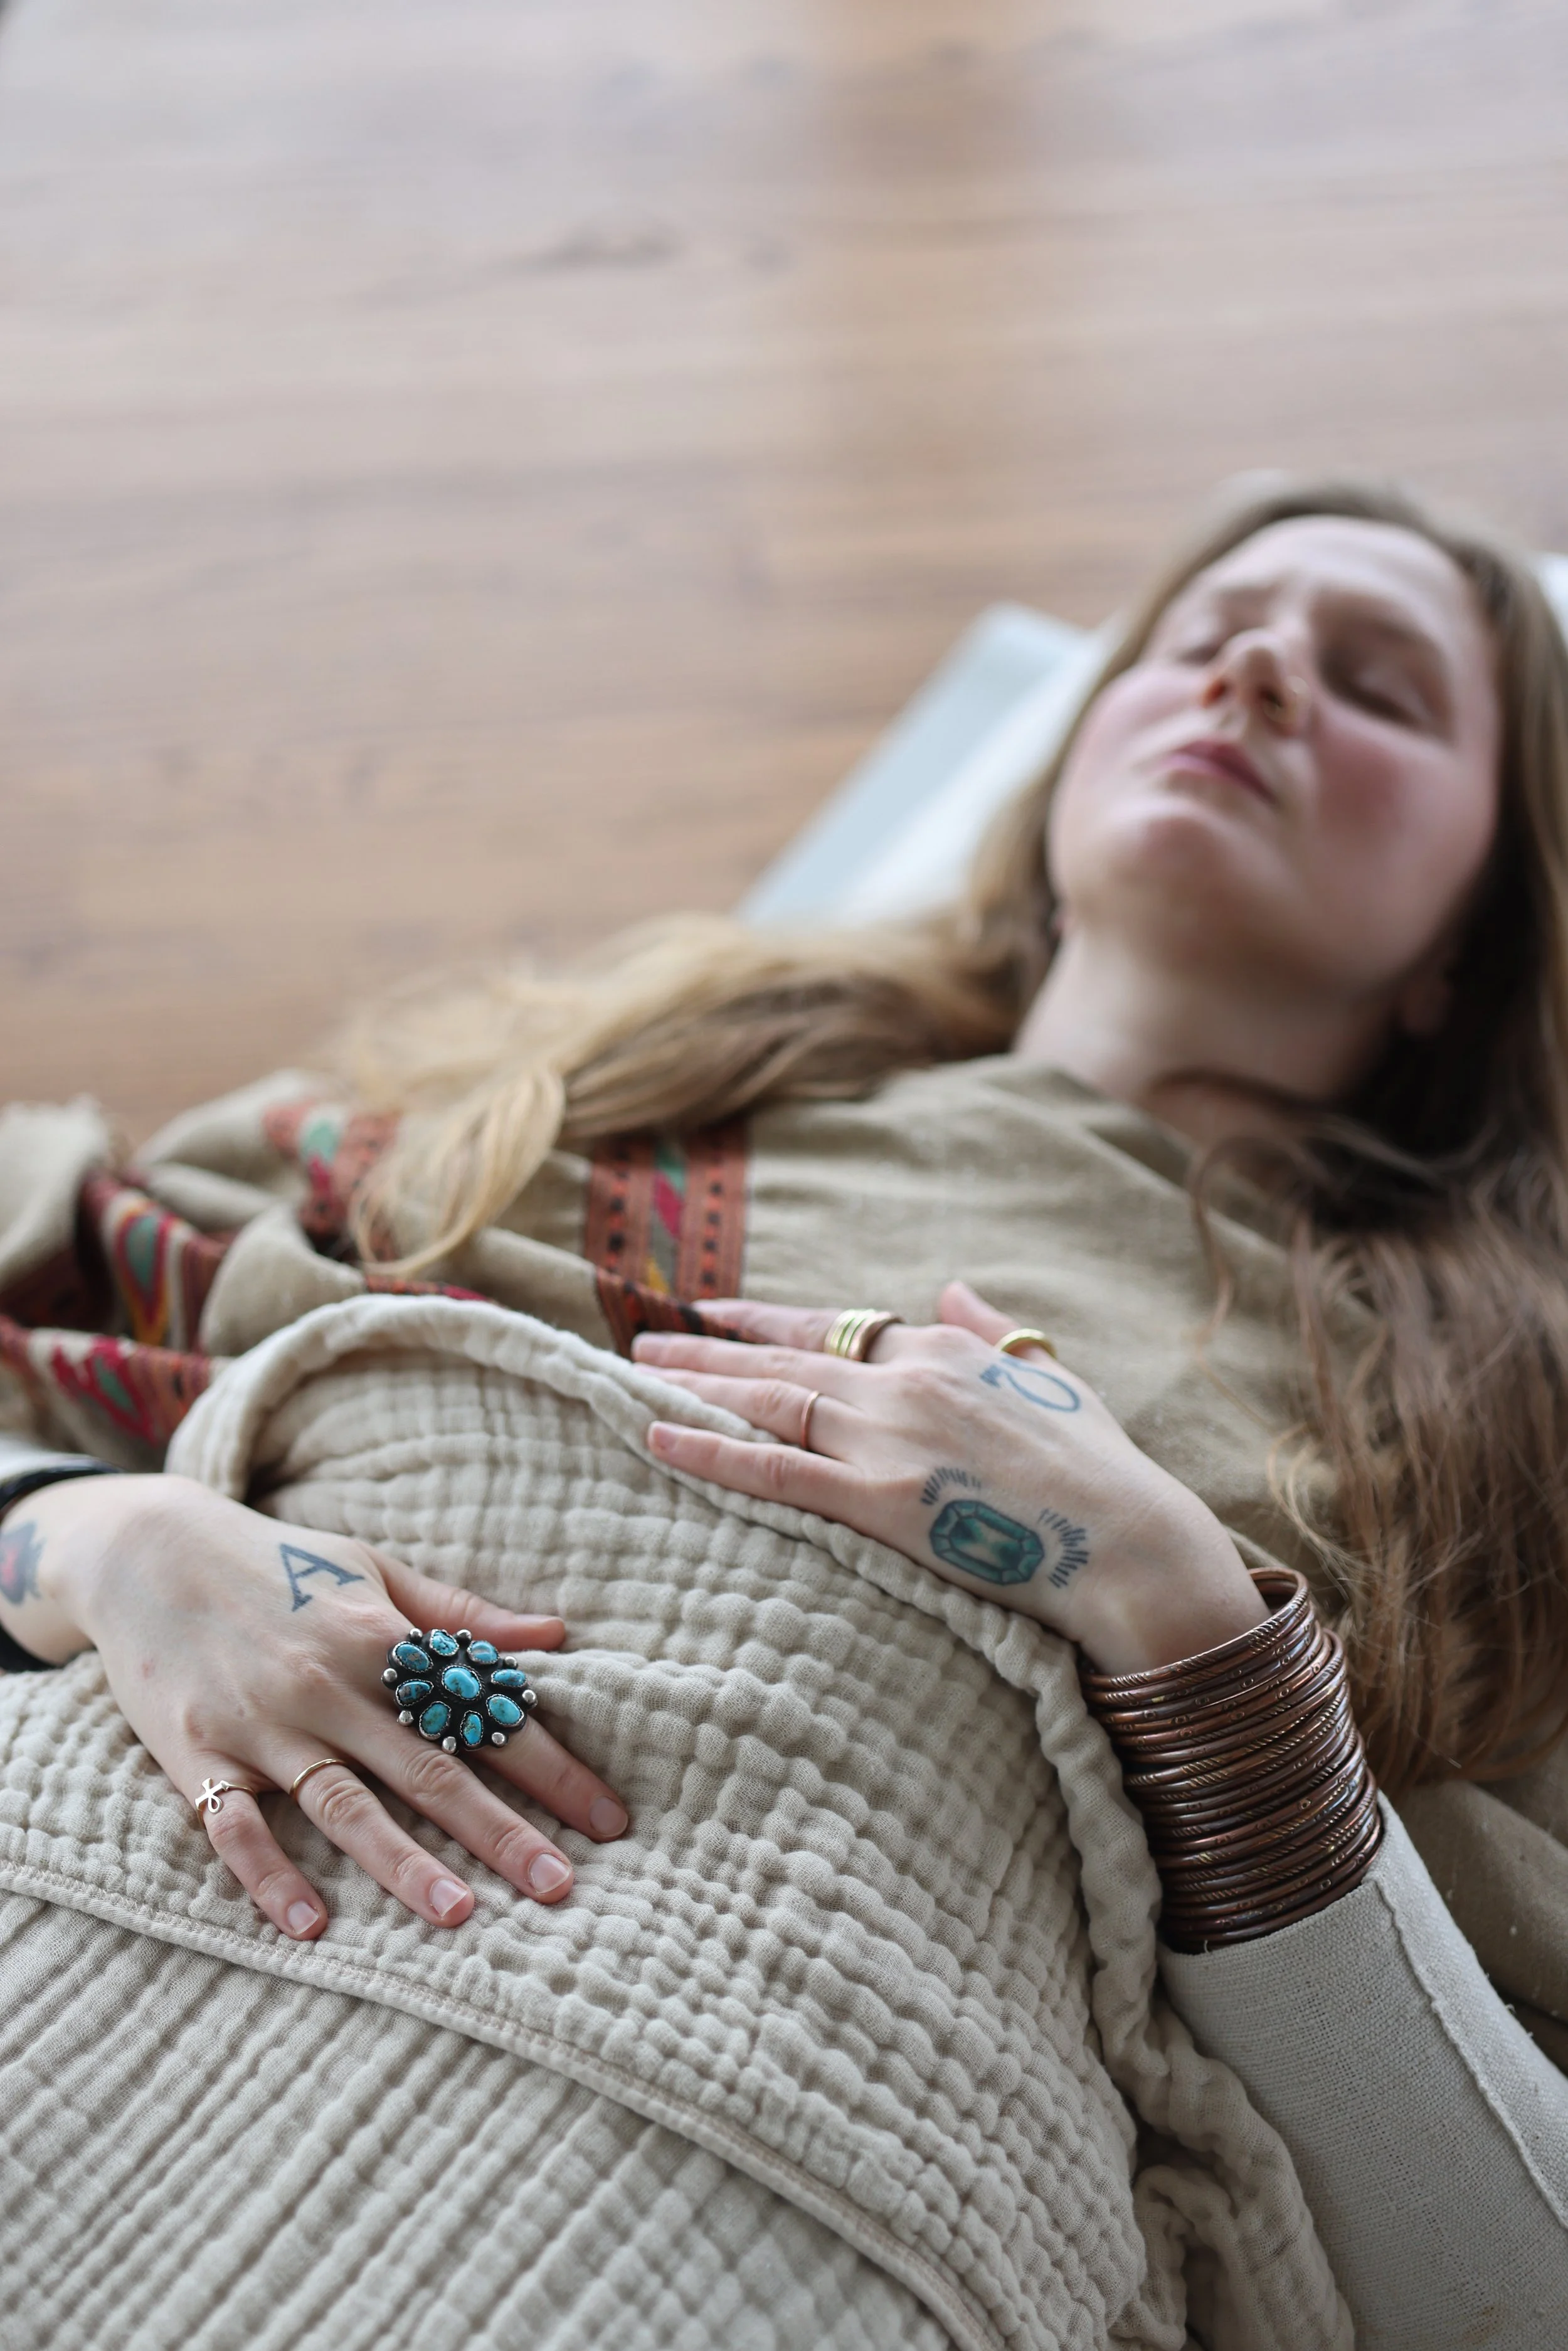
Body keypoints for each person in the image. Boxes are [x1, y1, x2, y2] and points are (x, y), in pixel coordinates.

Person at [3, 475, 1567, 2347]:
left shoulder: (1484, 1464)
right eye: (1202, 634)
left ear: (1470, 939)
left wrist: (1180, 1618)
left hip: (714, 2233)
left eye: (1377, 685)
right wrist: (101, 1538)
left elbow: (1504, 2278)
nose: (1256, 675)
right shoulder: (574, 1101)